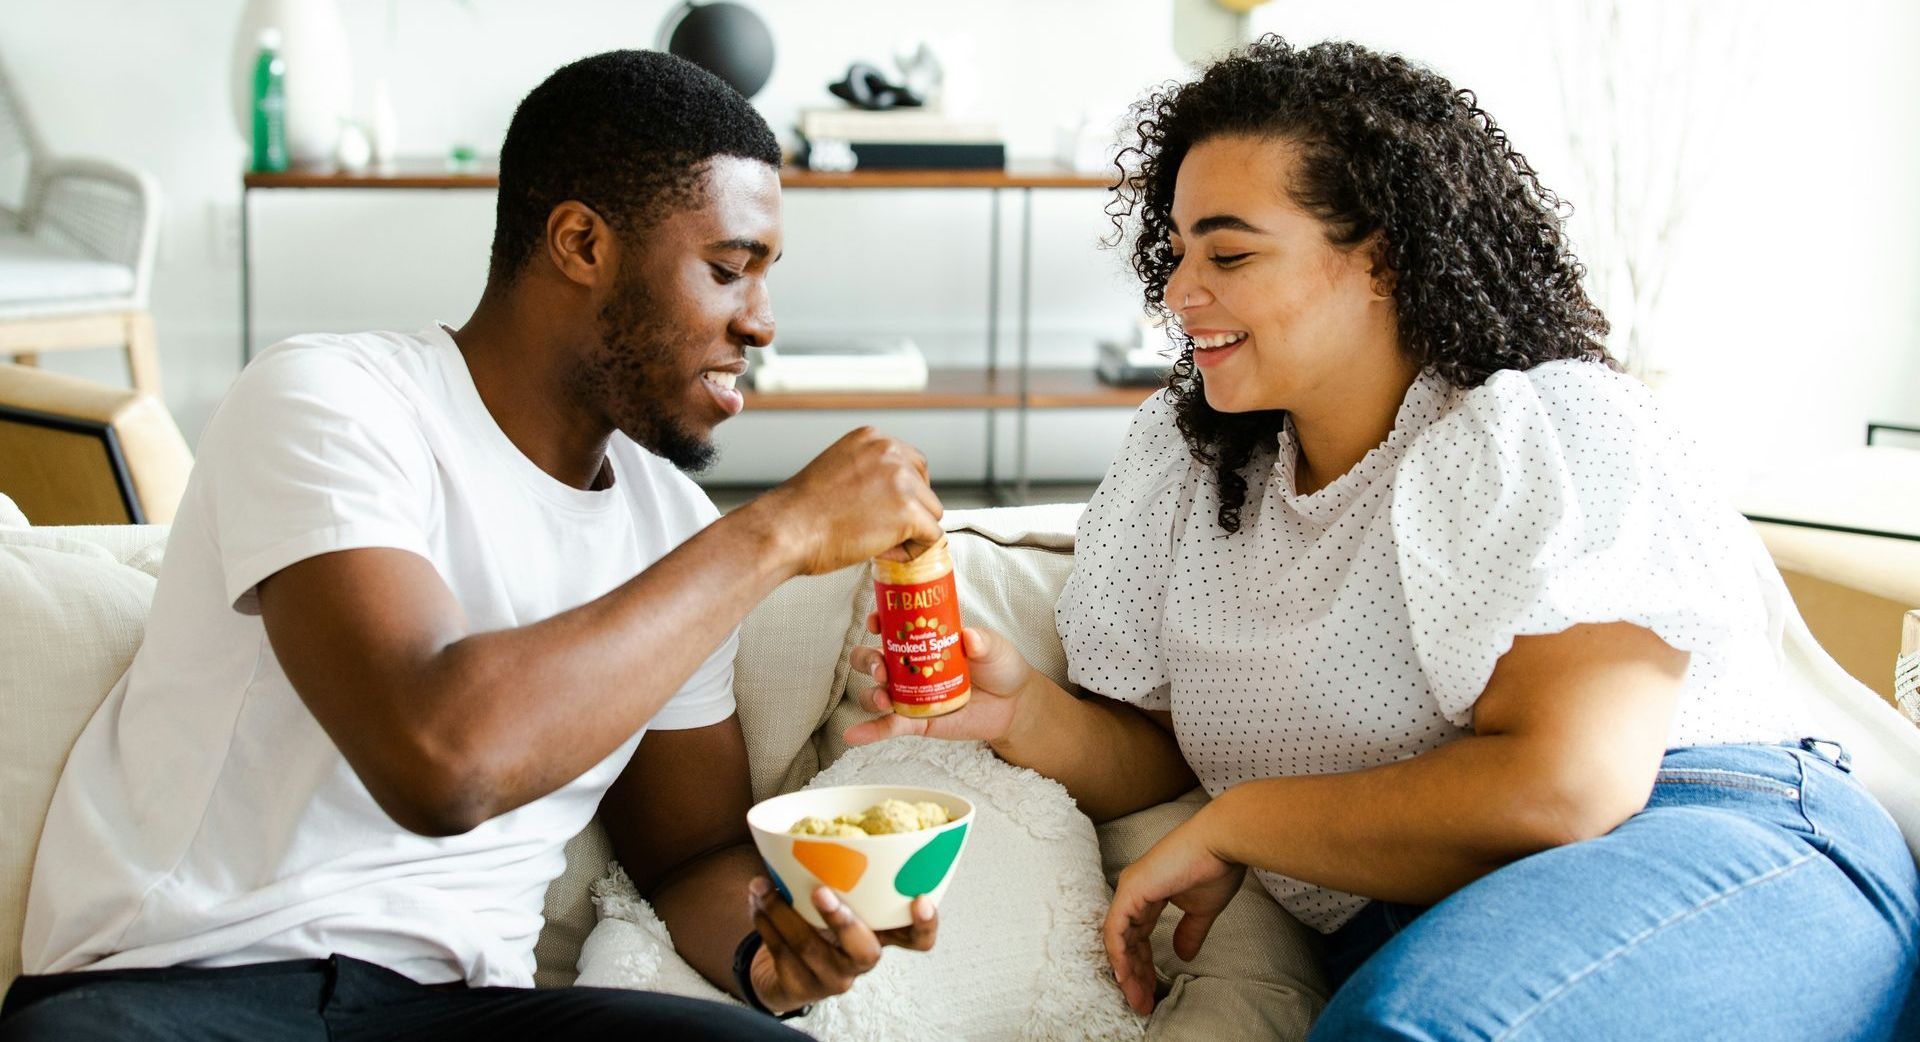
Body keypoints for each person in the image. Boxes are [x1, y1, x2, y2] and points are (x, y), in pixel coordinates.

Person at [847, 36, 1920, 1040]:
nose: (1178, 292)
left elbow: (1570, 785)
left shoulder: (1540, 423)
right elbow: (1159, 748)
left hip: (1704, 842)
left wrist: (1246, 825)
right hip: (1428, 928)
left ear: (1385, 259)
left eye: (1229, 252)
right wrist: (1025, 711)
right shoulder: (1188, 469)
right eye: (1174, 253)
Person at [1, 50, 948, 1041]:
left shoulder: (672, 531)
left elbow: (688, 859)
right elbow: (440, 760)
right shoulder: (333, 401)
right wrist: (782, 527)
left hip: (461, 1013)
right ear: (582, 242)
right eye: (725, 269)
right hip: (182, 989)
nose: (759, 322)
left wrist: (777, 944)